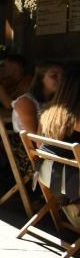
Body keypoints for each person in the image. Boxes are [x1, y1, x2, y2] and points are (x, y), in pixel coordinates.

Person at [37, 63, 80, 208]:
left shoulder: (49, 112)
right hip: (69, 180)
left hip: (46, 174)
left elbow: (38, 145)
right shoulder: (76, 119)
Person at [12, 62, 62, 134]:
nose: (60, 79)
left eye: (63, 76)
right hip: (28, 144)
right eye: (54, 76)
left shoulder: (58, 100)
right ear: (41, 78)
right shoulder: (25, 101)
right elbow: (34, 136)